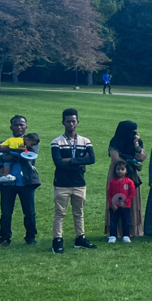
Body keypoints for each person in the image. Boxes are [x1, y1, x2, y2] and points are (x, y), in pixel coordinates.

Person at [50, 108, 96, 253]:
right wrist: (79, 162)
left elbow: (92, 159)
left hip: (79, 183)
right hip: (62, 183)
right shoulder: (56, 142)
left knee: (79, 212)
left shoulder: (85, 140)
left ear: (78, 122)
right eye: (68, 121)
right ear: (63, 122)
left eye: (73, 121)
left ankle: (80, 238)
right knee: (60, 213)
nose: (71, 124)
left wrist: (70, 160)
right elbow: (58, 163)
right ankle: (57, 240)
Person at [0, 115, 39, 246]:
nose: (19, 127)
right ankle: (4, 238)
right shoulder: (5, 142)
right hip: (7, 182)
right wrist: (2, 158)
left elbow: (29, 156)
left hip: (26, 181)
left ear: (26, 127)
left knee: (29, 212)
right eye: (16, 124)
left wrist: (7, 151)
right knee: (6, 213)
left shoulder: (31, 140)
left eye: (22, 125)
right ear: (11, 127)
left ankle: (31, 237)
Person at [104, 121, 145, 239]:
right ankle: (115, 231)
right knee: (115, 198)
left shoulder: (137, 142)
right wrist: (132, 162)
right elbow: (115, 158)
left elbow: (142, 157)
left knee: (131, 200)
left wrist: (136, 144)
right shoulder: (115, 141)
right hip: (117, 172)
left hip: (131, 175)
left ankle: (132, 230)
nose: (134, 133)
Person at [106, 161, 136, 244]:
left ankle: (126, 236)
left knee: (126, 221)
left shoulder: (129, 182)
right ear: (115, 170)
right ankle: (113, 236)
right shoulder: (112, 182)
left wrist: (126, 202)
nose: (120, 171)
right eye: (118, 169)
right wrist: (112, 203)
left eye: (122, 169)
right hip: (114, 206)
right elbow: (109, 193)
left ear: (126, 171)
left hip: (125, 206)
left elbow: (132, 193)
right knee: (113, 221)